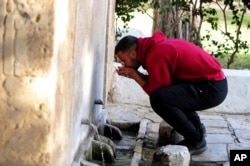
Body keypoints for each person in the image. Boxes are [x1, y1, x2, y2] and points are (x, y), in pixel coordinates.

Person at [115, 31, 228, 155]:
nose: (123, 64)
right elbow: (161, 84)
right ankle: (198, 130)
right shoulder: (155, 48)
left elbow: (157, 92)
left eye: (123, 60)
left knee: (159, 100)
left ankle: (196, 141)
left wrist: (134, 75)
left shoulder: (156, 54)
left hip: (211, 88)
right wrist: (135, 74)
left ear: (133, 53)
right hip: (212, 84)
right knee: (171, 95)